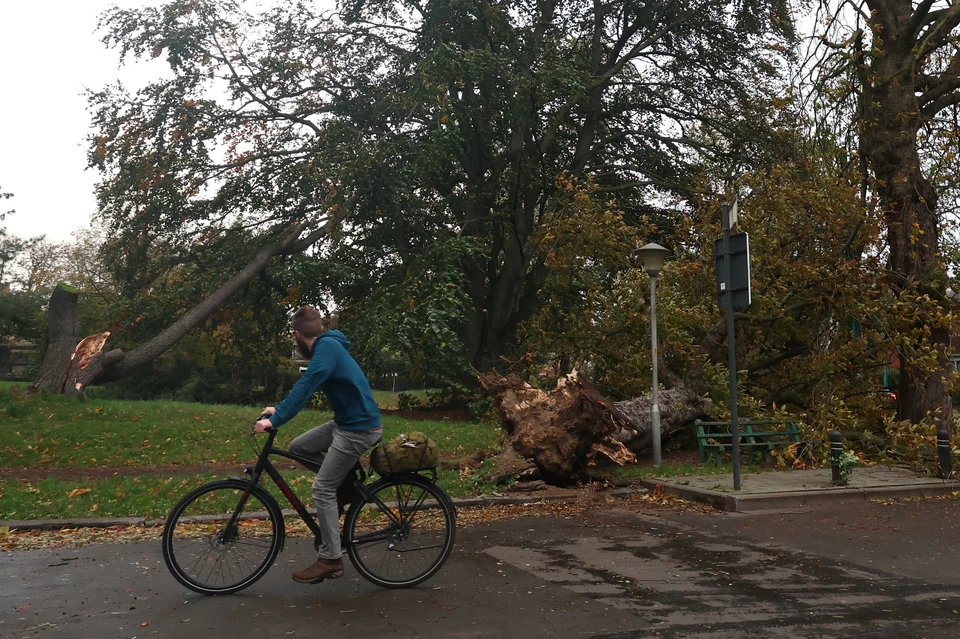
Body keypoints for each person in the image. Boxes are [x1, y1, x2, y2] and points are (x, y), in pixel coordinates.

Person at [255, 306, 382, 584]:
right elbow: (306, 385)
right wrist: (279, 410)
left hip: (359, 428)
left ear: (298, 335)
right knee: (299, 447)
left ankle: (331, 559)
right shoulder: (329, 345)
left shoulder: (325, 350)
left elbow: (307, 383)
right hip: (347, 422)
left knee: (321, 488)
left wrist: (277, 420)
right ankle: (344, 488)